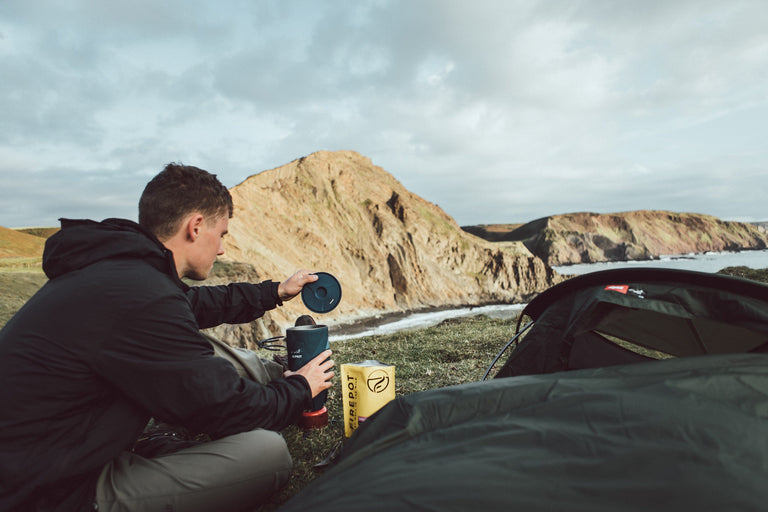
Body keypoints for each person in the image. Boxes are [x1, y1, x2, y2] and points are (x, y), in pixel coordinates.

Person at [0, 163, 335, 511]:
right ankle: (285, 380)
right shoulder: (142, 295)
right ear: (196, 226)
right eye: (221, 235)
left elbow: (195, 304)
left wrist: (276, 292)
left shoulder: (119, 273)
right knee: (268, 454)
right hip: (51, 491)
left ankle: (276, 377)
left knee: (200, 347)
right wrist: (298, 390)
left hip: (58, 454)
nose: (221, 249)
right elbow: (224, 410)